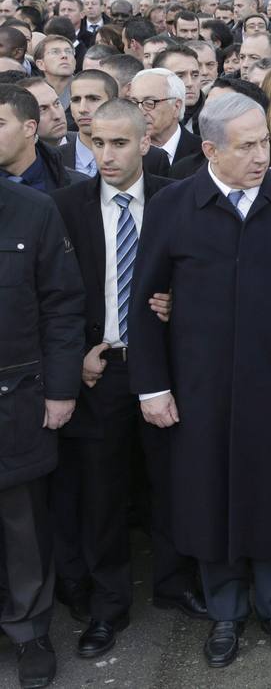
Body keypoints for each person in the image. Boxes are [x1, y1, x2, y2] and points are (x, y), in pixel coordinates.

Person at [128, 93, 271, 668]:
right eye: (246, 146)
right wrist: (152, 386)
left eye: (265, 142)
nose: (261, 156)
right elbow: (145, 301)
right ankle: (225, 613)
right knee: (207, 497)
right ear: (212, 150)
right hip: (198, 391)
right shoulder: (174, 205)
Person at [50, 99, 206, 662]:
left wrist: (179, 302)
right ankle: (107, 605)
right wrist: (75, 360)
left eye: (120, 143)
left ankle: (174, 582)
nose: (107, 154)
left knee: (172, 480)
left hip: (167, 366)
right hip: (101, 371)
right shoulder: (65, 206)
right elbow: (57, 294)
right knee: (102, 491)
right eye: (97, 143)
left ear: (146, 141)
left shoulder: (178, 197)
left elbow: (207, 270)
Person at [0, 176, 84, 689]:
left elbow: (61, 305)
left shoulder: (33, 210)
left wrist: (60, 389)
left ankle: (30, 629)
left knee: (22, 523)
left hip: (17, 397)